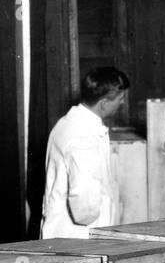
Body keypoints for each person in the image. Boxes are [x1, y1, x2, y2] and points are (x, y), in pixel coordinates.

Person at [40, 67, 130, 238]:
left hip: (65, 232)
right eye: (120, 98)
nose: (122, 103)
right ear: (104, 103)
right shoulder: (83, 137)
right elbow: (84, 211)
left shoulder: (68, 123)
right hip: (78, 237)